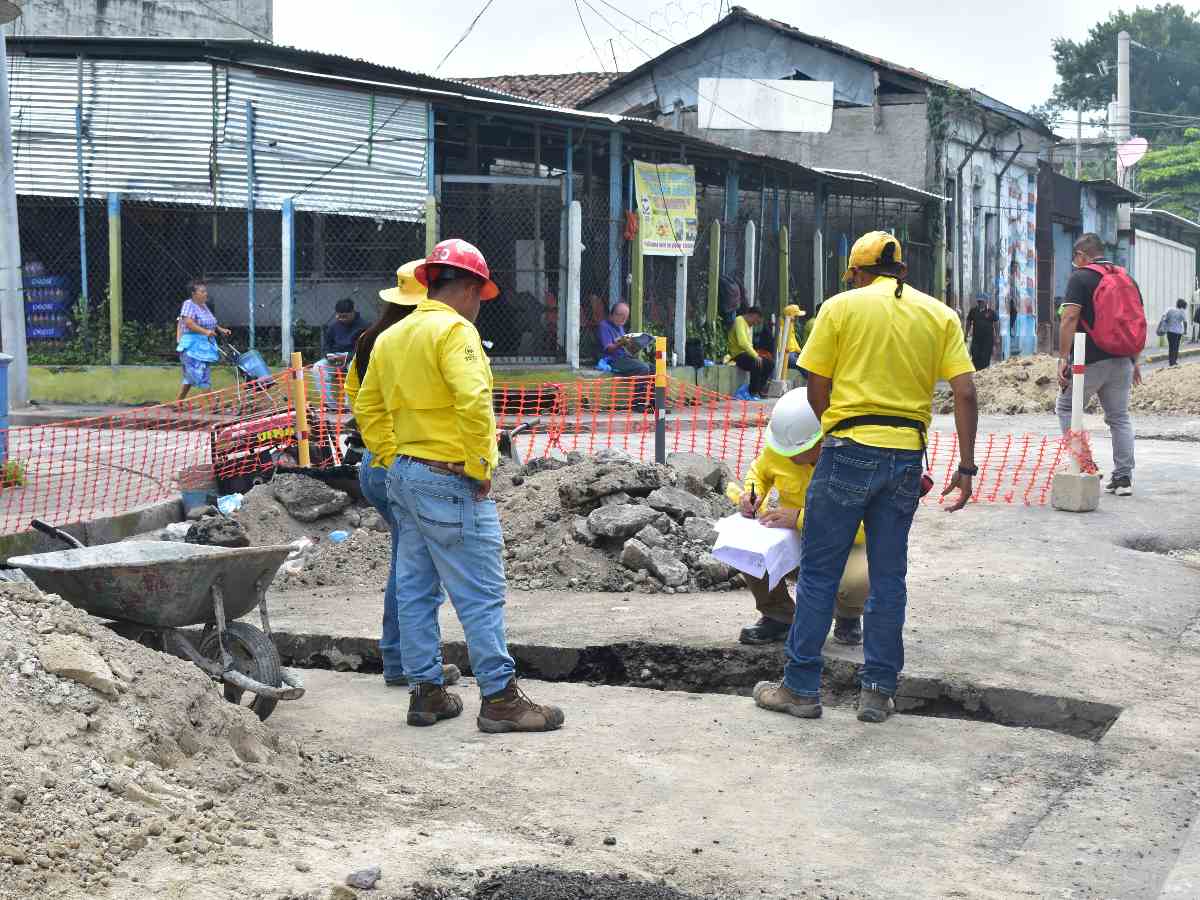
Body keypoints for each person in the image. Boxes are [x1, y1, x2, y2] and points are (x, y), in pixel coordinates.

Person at [752, 231, 978, 725]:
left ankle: (801, 689)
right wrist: (965, 466)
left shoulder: (840, 307)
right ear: (902, 271)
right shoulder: (940, 315)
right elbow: (964, 392)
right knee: (888, 577)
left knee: (818, 573)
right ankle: (877, 691)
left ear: (857, 272)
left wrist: (837, 430)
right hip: (905, 458)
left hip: (849, 448)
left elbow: (816, 387)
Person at [355, 238, 564, 733]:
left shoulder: (392, 337)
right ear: (470, 287)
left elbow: (366, 407)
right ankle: (499, 698)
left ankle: (426, 693)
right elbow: (473, 401)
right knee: (481, 591)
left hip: (404, 474)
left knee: (414, 588)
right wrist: (479, 465)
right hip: (447, 476)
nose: (478, 307)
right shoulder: (454, 331)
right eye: (479, 295)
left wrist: (391, 454)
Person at [346, 261, 461, 692]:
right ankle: (407, 663)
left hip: (376, 464)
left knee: (407, 565)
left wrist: (386, 454)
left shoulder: (369, 340)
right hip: (411, 464)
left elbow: (358, 401)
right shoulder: (428, 340)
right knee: (416, 572)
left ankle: (404, 661)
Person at [732, 389, 867, 647]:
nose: (790, 457)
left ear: (822, 438)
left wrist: (800, 518)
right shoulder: (781, 447)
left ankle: (848, 614)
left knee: (857, 579)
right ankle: (779, 616)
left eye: (799, 451)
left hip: (842, 545)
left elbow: (862, 528)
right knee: (748, 549)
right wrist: (752, 493)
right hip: (796, 542)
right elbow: (758, 472)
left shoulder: (851, 459)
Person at [1057, 233, 1143, 497]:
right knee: (1119, 418)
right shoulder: (1127, 278)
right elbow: (1135, 321)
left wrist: (1062, 357)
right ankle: (1123, 478)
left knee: (1066, 407)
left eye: (1075, 259)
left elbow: (1070, 316)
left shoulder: (1080, 277)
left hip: (1090, 360)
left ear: (1081, 255)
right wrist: (1135, 360)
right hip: (1123, 359)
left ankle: (1086, 464)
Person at [176, 279, 229, 401]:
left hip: (203, 345)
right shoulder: (188, 304)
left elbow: (210, 323)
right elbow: (188, 323)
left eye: (206, 291)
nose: (206, 293)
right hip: (192, 347)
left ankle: (178, 403)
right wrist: (206, 332)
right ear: (194, 294)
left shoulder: (203, 306)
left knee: (191, 376)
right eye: (202, 291)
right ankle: (214, 404)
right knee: (201, 374)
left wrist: (221, 329)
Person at [315, 298, 371, 409]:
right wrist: (329, 356)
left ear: (353, 313)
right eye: (339, 316)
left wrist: (347, 358)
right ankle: (330, 405)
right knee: (318, 367)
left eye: (344, 316)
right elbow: (326, 346)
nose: (341, 319)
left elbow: (363, 349)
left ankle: (348, 406)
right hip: (335, 359)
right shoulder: (334, 326)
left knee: (353, 367)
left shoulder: (364, 326)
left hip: (354, 359)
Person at [597, 302, 651, 377]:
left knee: (653, 368)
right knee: (643, 368)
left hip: (625, 358)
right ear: (613, 314)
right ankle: (639, 389)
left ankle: (650, 389)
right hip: (612, 360)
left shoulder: (620, 327)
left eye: (626, 317)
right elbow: (608, 349)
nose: (623, 320)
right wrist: (622, 343)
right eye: (621, 316)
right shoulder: (604, 326)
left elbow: (625, 346)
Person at [727, 305, 769, 399]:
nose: (756, 323)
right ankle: (752, 391)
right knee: (756, 362)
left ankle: (759, 389)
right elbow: (742, 342)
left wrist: (757, 355)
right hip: (737, 355)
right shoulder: (739, 320)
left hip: (746, 354)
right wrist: (755, 355)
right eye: (756, 320)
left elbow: (749, 345)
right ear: (753, 315)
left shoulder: (748, 326)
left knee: (769, 363)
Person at [964, 294, 998, 371]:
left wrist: (997, 337)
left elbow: (996, 324)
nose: (980, 303)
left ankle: (984, 373)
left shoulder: (991, 312)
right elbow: (968, 322)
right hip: (976, 338)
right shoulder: (973, 311)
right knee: (975, 355)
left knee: (985, 357)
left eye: (982, 302)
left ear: (986, 302)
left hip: (988, 339)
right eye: (979, 302)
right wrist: (966, 334)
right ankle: (977, 372)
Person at [1159, 299, 1188, 366]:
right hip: (1178, 332)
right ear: (1183, 305)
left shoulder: (1170, 310)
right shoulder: (1182, 311)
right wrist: (1185, 331)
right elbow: (1185, 321)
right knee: (1176, 347)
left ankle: (1171, 361)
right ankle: (1174, 361)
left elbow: (1165, 319)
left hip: (1170, 332)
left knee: (1171, 346)